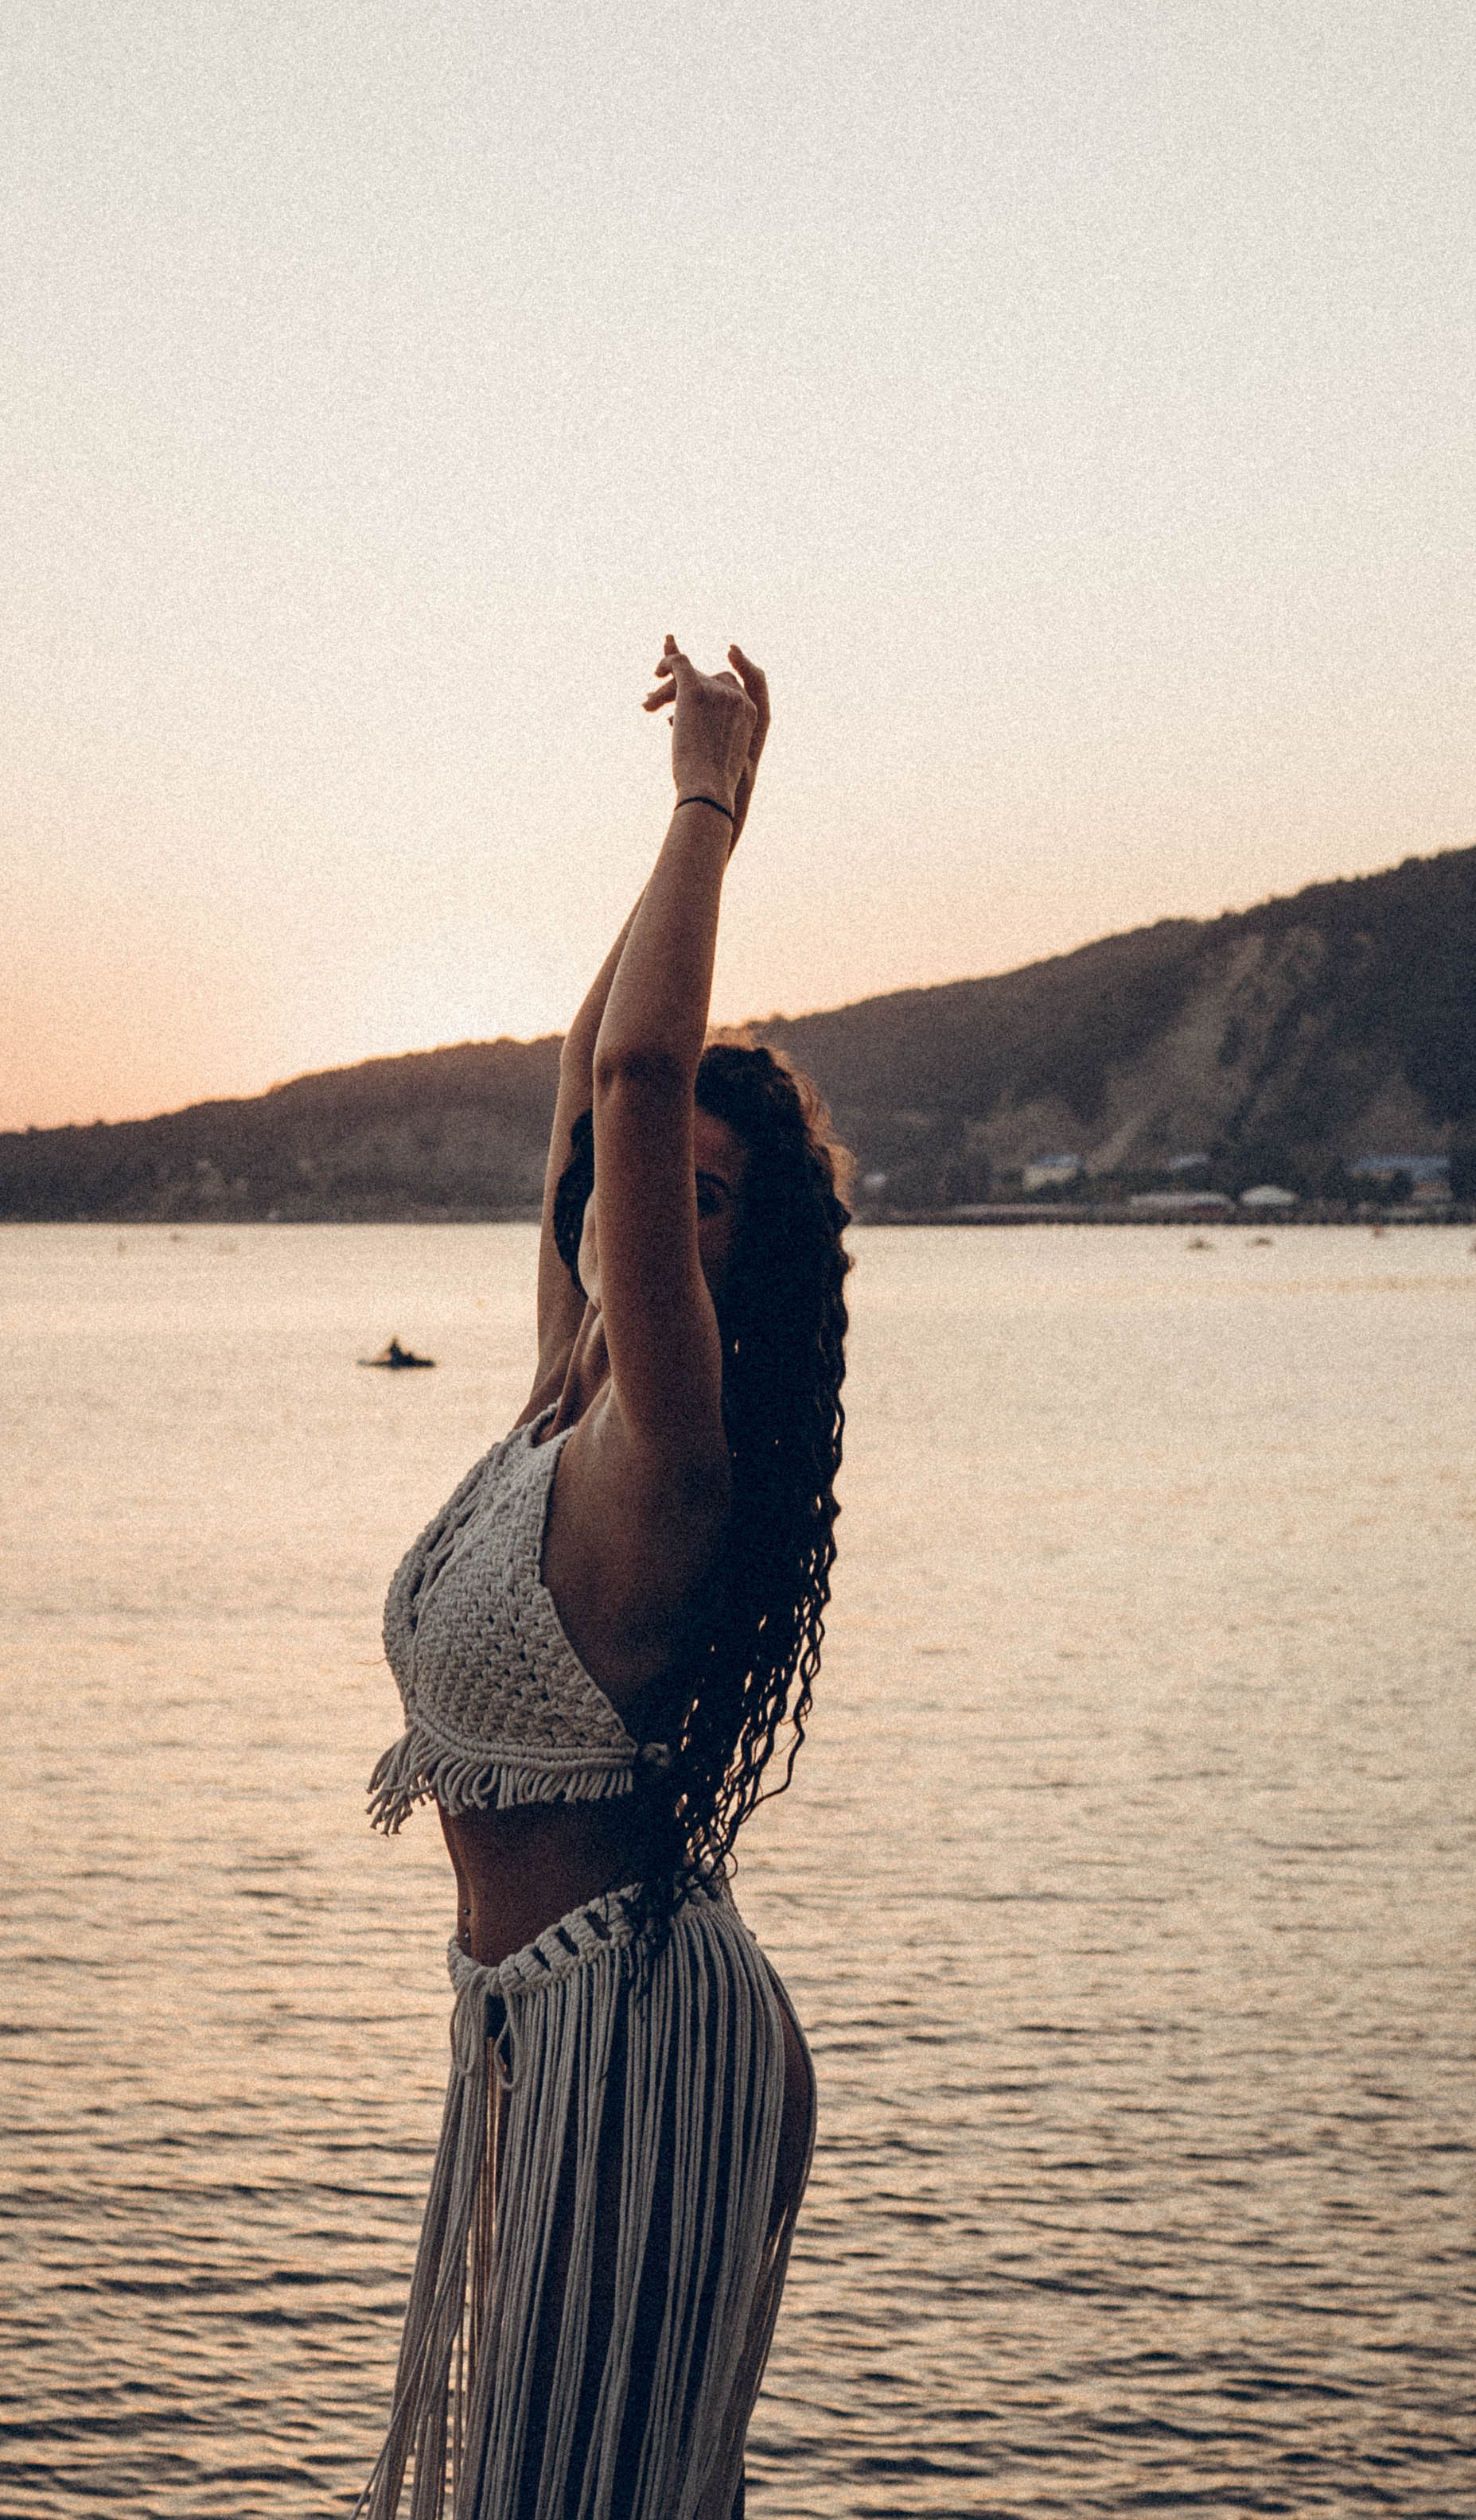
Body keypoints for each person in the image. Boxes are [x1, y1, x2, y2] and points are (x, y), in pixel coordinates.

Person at [355, 641, 851, 2520]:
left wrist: (710, 809)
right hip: (550, 2018)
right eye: (649, 1180)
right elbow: (593, 1085)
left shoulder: (680, 1442)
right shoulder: (566, 1396)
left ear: (745, 1267)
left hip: (640, 2027)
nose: (636, 1193)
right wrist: (682, 834)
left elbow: (641, 1077)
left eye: (698, 1197)